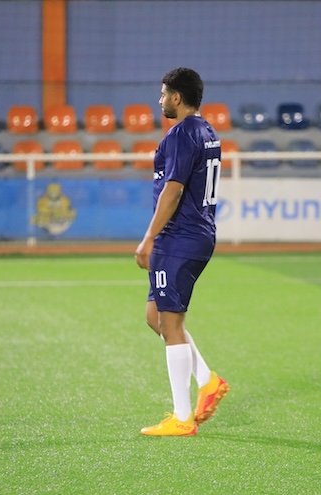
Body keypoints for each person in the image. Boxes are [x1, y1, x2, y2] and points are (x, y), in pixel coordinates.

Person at [134, 67, 229, 437]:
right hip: (196, 234)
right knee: (155, 316)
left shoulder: (181, 134)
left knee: (171, 325)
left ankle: (182, 417)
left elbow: (172, 191)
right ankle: (207, 380)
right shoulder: (207, 131)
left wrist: (149, 237)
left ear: (176, 97)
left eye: (163, 94)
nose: (160, 100)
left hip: (179, 237)